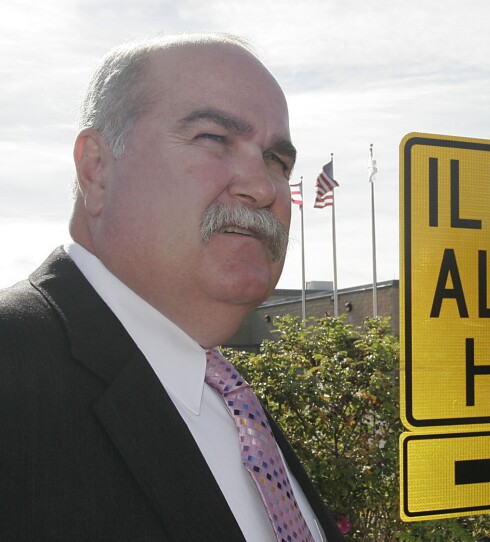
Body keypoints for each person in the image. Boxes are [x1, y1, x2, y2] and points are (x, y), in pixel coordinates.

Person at [0, 33, 343, 541]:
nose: (264, 186)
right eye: (213, 138)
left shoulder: (232, 400)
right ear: (96, 169)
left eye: (276, 159)